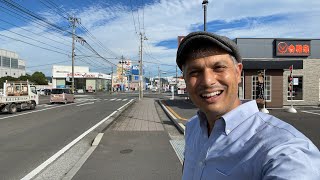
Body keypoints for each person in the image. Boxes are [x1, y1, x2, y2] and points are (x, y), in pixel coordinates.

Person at [176, 31, 320, 180]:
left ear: (238, 72)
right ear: (185, 79)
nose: (207, 81)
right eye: (194, 72)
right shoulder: (193, 127)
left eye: (218, 68)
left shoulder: (283, 147)